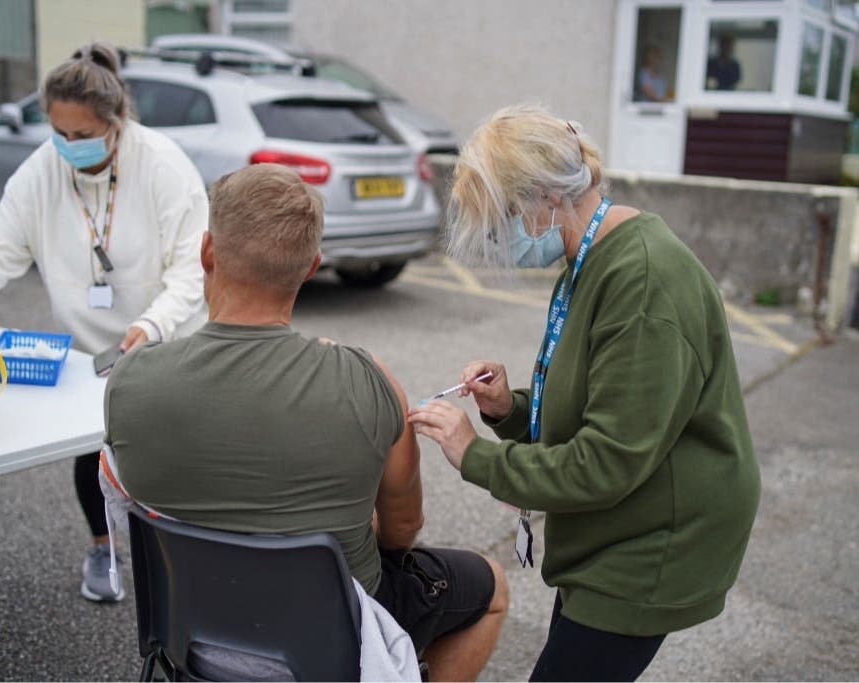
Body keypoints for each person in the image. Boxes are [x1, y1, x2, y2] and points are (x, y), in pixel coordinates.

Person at [102, 163, 509, 682]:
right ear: (312, 265)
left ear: (207, 252)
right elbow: (403, 532)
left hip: (193, 629)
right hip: (332, 638)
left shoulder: (130, 380)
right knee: (492, 587)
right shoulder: (367, 381)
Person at [408, 104, 760, 682]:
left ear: (548, 199)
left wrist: (476, 455)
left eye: (505, 221)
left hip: (655, 541)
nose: (505, 241)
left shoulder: (642, 279)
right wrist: (510, 410)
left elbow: (608, 461)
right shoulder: (587, 256)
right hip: (612, 530)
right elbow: (589, 403)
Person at [0, 42, 208, 603]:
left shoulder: (163, 165)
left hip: (167, 341)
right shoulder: (42, 171)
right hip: (93, 354)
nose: (68, 146)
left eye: (81, 136)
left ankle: (181, 560)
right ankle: (103, 547)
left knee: (166, 461)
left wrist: (153, 325)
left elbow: (194, 271)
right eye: (58, 134)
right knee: (93, 452)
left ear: (116, 124)